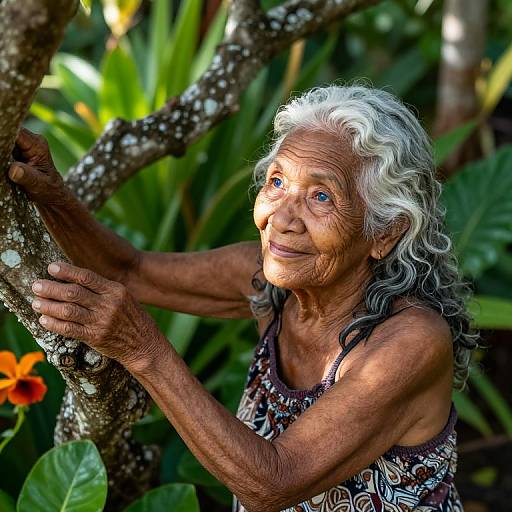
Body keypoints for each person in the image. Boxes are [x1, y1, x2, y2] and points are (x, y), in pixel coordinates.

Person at [9, 85, 476, 511]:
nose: (281, 217)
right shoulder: (265, 282)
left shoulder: (410, 343)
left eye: (320, 197)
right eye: (276, 182)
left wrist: (141, 347)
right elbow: (128, 270)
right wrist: (53, 195)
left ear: (385, 233)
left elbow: (272, 482)